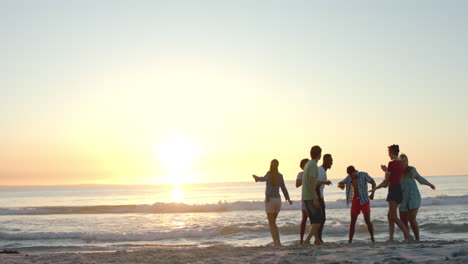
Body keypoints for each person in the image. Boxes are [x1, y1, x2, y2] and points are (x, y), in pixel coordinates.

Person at [373, 144, 412, 242]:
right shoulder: (402, 164)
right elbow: (393, 178)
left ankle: (408, 235)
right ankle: (391, 238)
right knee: (390, 216)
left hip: (393, 189)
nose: (388, 154)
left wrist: (385, 171)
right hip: (398, 190)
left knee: (393, 216)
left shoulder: (392, 163)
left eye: (389, 152)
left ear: (392, 152)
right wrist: (375, 189)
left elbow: (386, 181)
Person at [253, 159, 293, 246]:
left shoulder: (269, 174)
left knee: (271, 223)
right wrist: (288, 199)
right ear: (278, 166)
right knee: (273, 223)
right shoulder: (280, 176)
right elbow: (283, 188)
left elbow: (262, 179)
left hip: (270, 201)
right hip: (278, 201)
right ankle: (278, 241)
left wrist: (256, 178)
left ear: (271, 165)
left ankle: (276, 242)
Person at [338, 166, 376, 243]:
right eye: (350, 175)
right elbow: (341, 183)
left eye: (352, 174)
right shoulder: (349, 177)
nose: (351, 176)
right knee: (353, 221)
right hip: (355, 200)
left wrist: (372, 193)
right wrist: (340, 185)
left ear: (355, 171)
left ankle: (372, 239)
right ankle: (350, 241)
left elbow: (373, 182)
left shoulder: (363, 174)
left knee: (367, 220)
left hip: (364, 199)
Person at [301, 145, 324, 245]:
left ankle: (317, 241)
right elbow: (311, 182)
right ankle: (307, 241)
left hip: (306, 195)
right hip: (310, 196)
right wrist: (315, 198)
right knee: (318, 220)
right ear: (319, 155)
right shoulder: (313, 165)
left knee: (314, 220)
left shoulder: (308, 164)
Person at [295, 158, 310, 244]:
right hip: (305, 197)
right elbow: (297, 184)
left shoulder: (312, 173)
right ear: (302, 166)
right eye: (304, 165)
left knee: (313, 219)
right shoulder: (301, 174)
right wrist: (305, 178)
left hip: (312, 196)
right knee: (304, 218)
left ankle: (314, 238)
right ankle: (301, 239)